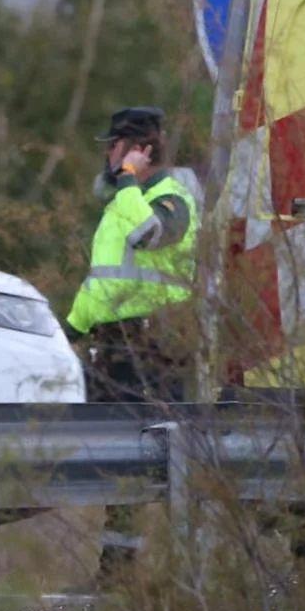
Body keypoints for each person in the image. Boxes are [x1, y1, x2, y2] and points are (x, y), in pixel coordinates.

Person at [66, 106, 199, 401]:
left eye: (114, 145)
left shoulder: (172, 199)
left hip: (153, 348)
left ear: (138, 150)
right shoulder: (123, 203)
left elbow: (147, 235)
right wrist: (71, 331)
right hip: (112, 345)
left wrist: (127, 176)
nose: (108, 153)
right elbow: (103, 279)